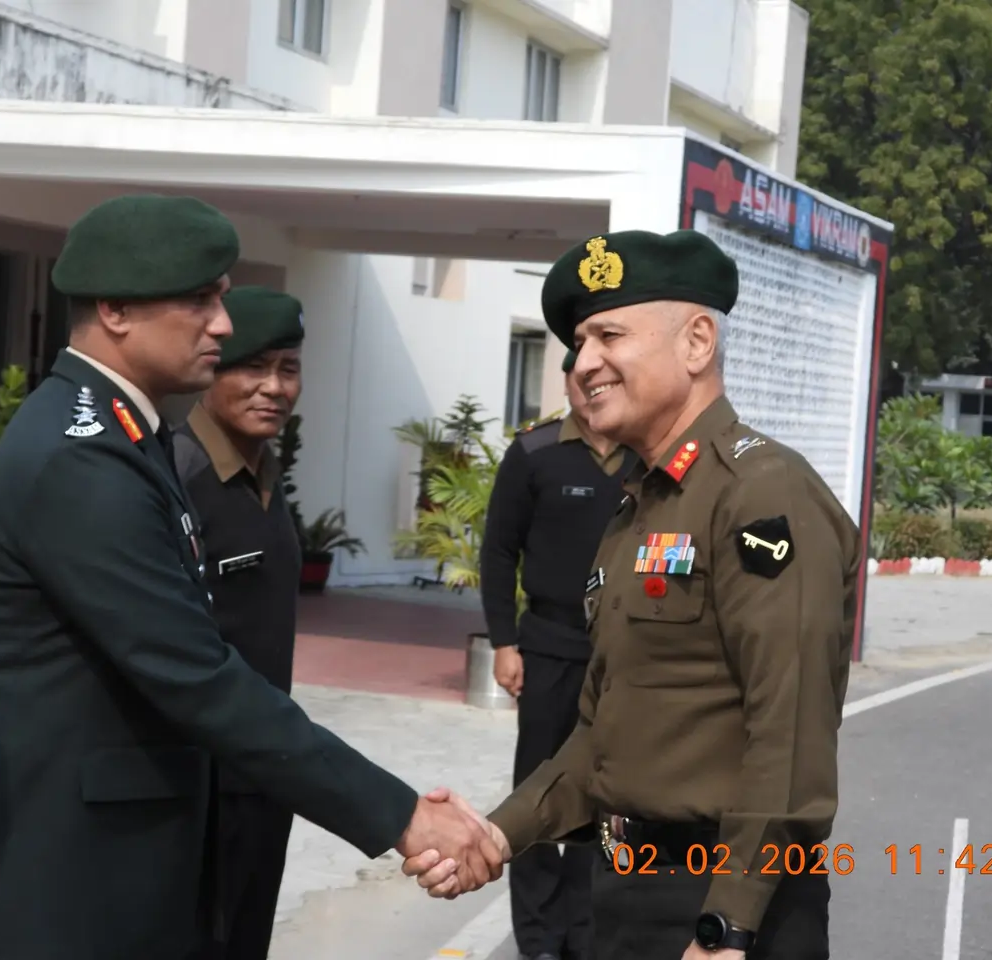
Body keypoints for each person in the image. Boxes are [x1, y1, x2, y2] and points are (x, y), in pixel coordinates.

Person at [0, 193, 502, 960]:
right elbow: (193, 672)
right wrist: (403, 816)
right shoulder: (82, 456)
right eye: (198, 299)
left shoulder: (124, 432)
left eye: (221, 296)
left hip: (96, 874)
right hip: (51, 887)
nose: (222, 323)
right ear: (116, 308)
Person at [406, 229, 860, 960]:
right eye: (579, 342)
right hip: (625, 891)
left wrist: (728, 925)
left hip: (725, 904)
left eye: (609, 334)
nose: (584, 363)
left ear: (697, 342)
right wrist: (501, 831)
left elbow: (790, 729)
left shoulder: (760, 493)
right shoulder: (639, 508)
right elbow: (601, 740)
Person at [479, 348, 634, 960]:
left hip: (621, 654)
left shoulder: (644, 453)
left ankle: (589, 928)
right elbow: (498, 552)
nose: (592, 384)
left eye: (605, 375)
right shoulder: (535, 453)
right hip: (547, 645)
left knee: (609, 792)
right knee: (541, 791)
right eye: (582, 375)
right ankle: (539, 937)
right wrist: (503, 642)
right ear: (567, 380)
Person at [170, 285, 307, 960]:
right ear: (212, 368)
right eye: (252, 366)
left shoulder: (265, 476)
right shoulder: (173, 477)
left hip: (262, 772)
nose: (273, 387)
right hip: (191, 788)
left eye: (288, 368)